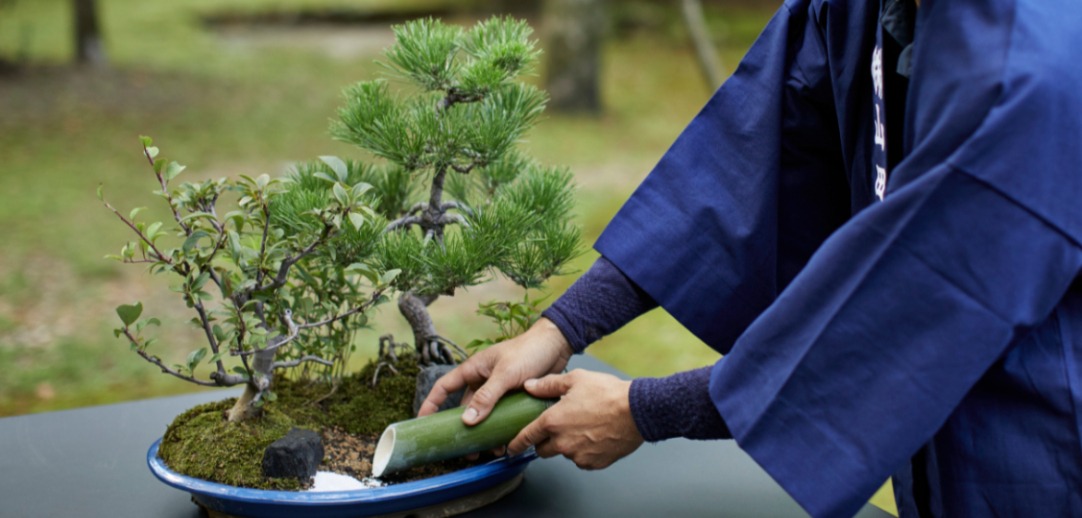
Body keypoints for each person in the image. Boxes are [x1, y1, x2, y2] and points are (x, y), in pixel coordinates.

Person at [420, 0, 1082, 516]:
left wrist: (644, 410)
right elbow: (748, 161)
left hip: (1046, 437)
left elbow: (902, 307)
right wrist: (561, 327)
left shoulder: (1026, 69)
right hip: (949, 447)